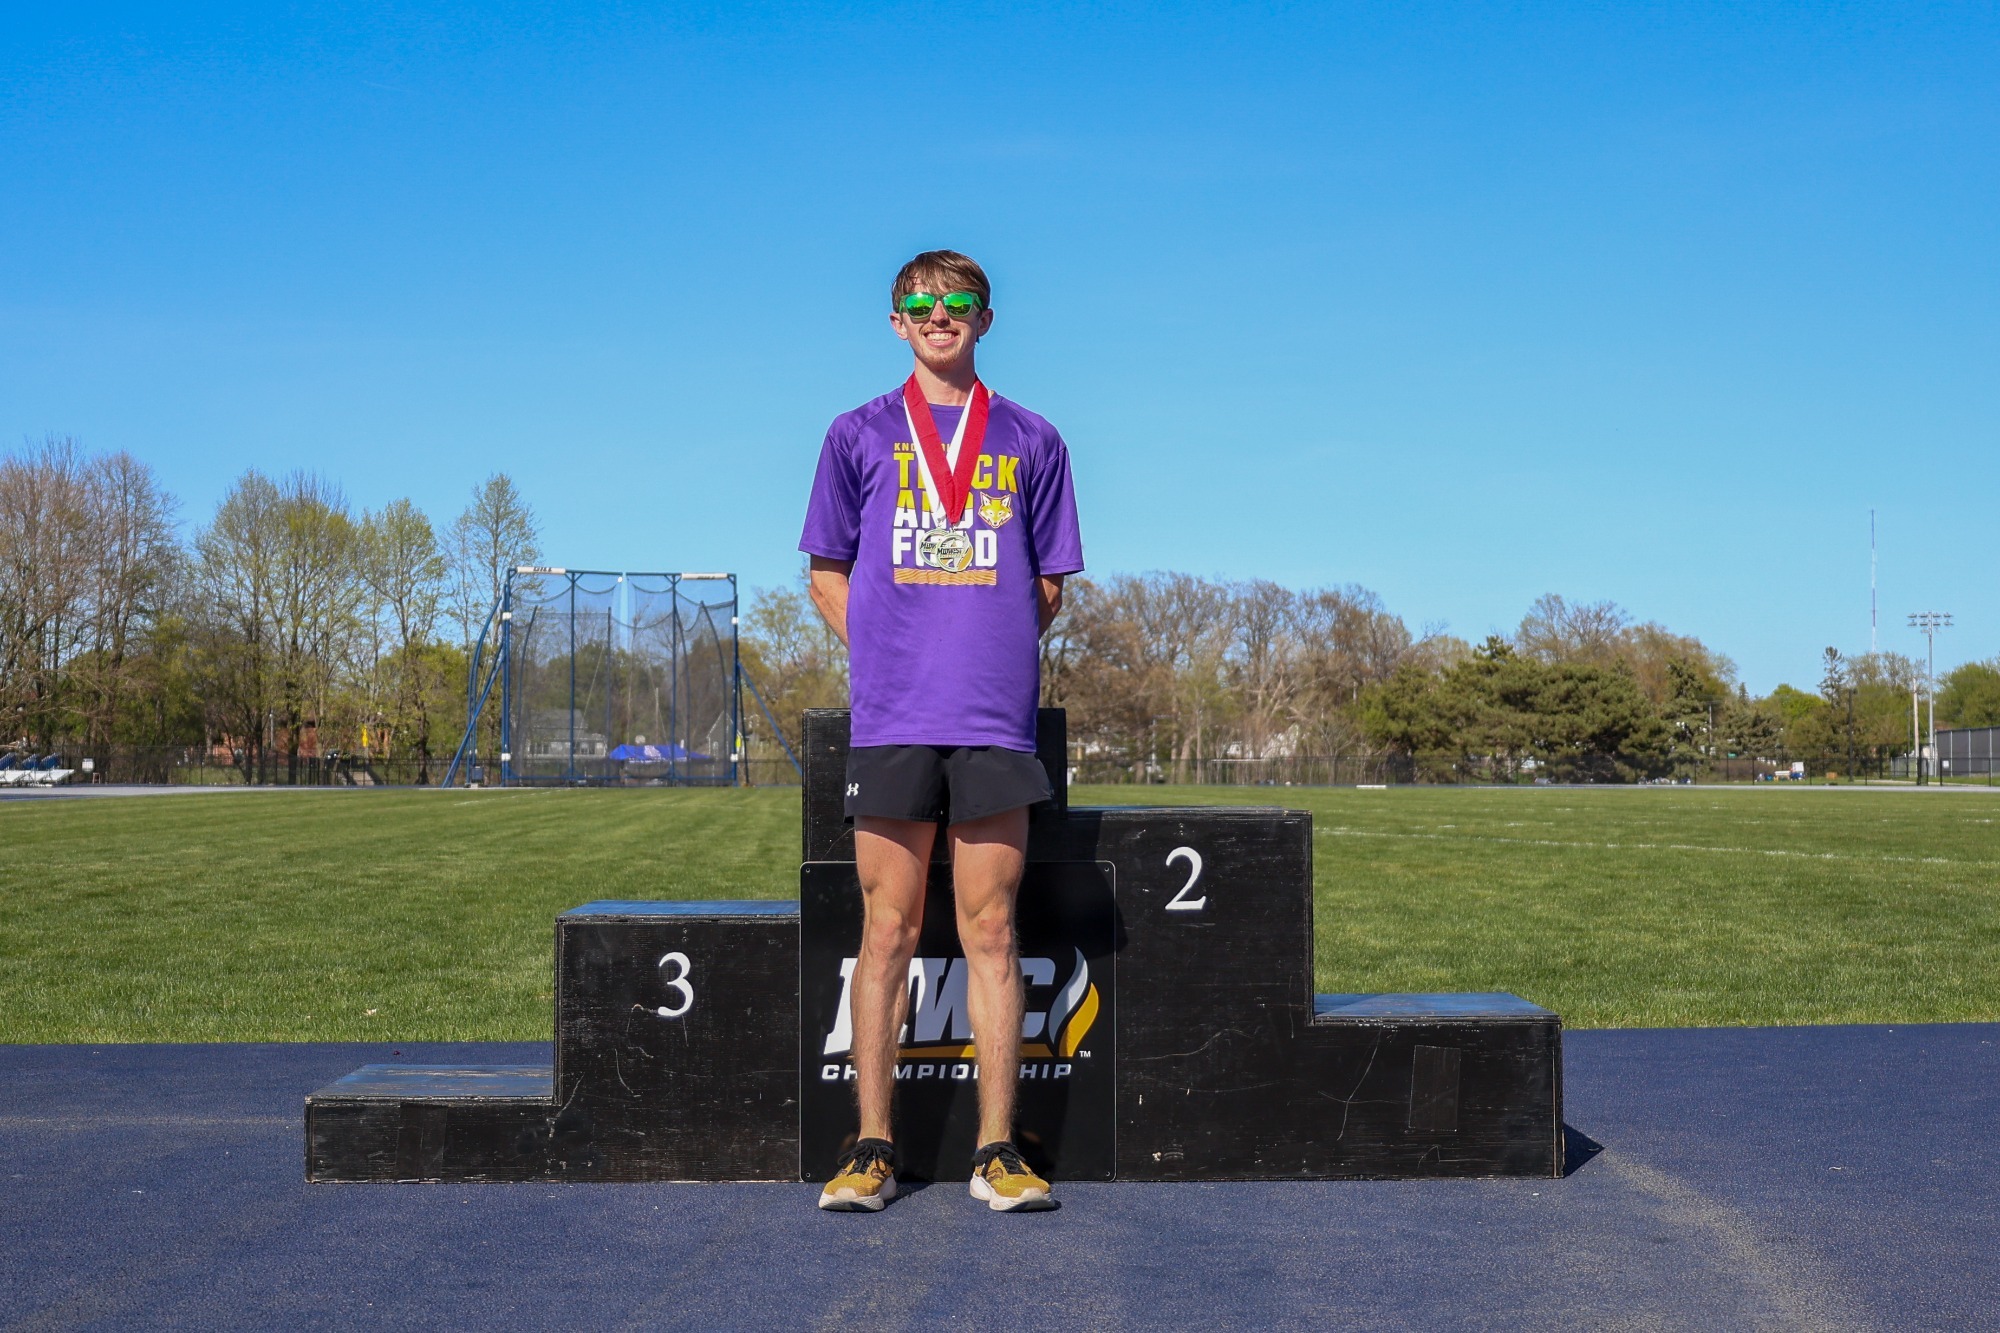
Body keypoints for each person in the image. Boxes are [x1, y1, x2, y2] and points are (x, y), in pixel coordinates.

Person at [798, 250, 1084, 1212]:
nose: (938, 315)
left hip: (995, 719)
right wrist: (889, 649)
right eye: (919, 304)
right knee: (887, 929)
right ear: (894, 322)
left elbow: (1047, 586)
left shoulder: (1034, 437)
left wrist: (983, 644)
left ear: (986, 319)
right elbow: (825, 572)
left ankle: (997, 1149)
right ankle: (872, 1147)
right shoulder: (856, 434)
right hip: (892, 719)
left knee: (993, 930)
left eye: (957, 302)